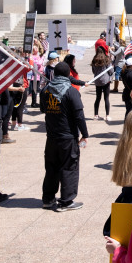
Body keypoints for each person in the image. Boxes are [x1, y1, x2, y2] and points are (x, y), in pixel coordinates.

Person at [39, 62, 90, 212]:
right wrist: (85, 134)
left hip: (52, 136)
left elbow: (43, 109)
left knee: (51, 168)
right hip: (67, 136)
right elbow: (79, 115)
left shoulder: (46, 90)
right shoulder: (71, 91)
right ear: (68, 75)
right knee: (69, 167)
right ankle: (66, 201)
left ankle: (48, 199)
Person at [91, 49, 113, 121]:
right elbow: (111, 70)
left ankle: (96, 115)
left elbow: (93, 71)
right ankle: (107, 115)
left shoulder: (94, 59)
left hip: (97, 81)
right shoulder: (106, 59)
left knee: (98, 98)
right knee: (106, 98)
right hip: (105, 80)